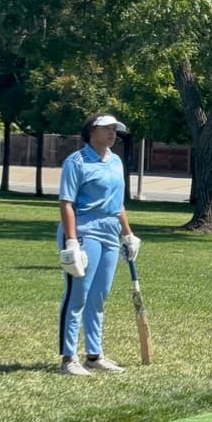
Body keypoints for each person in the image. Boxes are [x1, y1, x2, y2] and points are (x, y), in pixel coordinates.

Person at [57, 113, 141, 376]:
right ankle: (68, 358)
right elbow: (66, 203)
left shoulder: (115, 161)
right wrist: (72, 242)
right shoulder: (77, 161)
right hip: (83, 231)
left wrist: (128, 235)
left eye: (114, 130)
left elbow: (118, 204)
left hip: (109, 232)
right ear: (91, 131)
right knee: (77, 295)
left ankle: (94, 355)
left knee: (99, 296)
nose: (112, 134)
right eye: (106, 129)